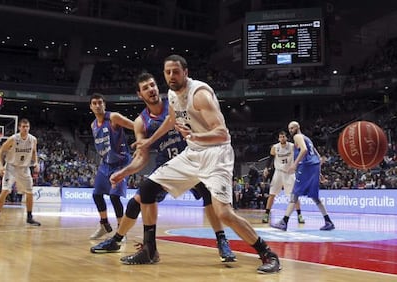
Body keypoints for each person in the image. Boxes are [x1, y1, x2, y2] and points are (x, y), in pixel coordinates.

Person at [115, 55, 280, 274]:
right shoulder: (173, 94)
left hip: (216, 154)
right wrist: (149, 141)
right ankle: (150, 250)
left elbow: (222, 134)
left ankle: (267, 253)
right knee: (147, 189)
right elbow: (171, 120)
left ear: (185, 72)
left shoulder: (200, 95)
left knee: (224, 214)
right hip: (193, 153)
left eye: (175, 71)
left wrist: (195, 137)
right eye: (167, 72)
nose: (171, 76)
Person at [91, 72, 236, 263]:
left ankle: (221, 241)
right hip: (168, 167)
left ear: (157, 88)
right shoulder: (141, 122)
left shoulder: (176, 104)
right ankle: (117, 241)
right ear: (139, 94)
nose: (151, 89)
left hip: (193, 160)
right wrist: (124, 172)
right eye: (145, 88)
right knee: (137, 201)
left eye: (152, 85)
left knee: (209, 197)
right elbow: (142, 158)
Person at [271, 121, 335, 231]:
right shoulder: (307, 138)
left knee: (295, 194)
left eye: (292, 128)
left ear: (297, 127)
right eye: (289, 128)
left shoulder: (297, 136)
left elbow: (304, 150)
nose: (290, 130)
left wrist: (295, 164)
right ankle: (328, 221)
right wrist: (318, 173)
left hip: (306, 167)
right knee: (314, 197)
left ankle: (284, 222)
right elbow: (318, 156)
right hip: (313, 167)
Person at [88, 93, 134, 239]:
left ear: (104, 104)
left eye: (100, 102)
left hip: (121, 163)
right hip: (105, 163)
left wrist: (142, 142)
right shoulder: (93, 125)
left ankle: (122, 230)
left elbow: (135, 126)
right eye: (94, 103)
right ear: (91, 106)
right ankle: (104, 224)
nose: (97, 105)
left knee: (114, 197)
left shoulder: (114, 117)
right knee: (96, 195)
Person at [0, 118, 41, 227]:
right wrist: (0, 165)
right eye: (23, 127)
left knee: (30, 193)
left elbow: (34, 152)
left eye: (27, 127)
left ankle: (29, 217)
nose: (25, 129)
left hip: (24, 168)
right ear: (19, 128)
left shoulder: (33, 139)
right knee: (5, 191)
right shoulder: (13, 139)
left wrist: (36, 162)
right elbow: (1, 150)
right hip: (11, 168)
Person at [261, 131, 305, 224]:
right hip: (278, 173)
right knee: (272, 194)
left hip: (290, 173)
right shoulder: (275, 147)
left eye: (283, 137)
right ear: (278, 138)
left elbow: (302, 150)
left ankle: (299, 215)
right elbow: (270, 159)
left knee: (294, 195)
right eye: (280, 137)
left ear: (286, 138)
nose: (282, 138)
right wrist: (266, 168)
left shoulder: (292, 146)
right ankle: (266, 214)